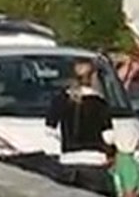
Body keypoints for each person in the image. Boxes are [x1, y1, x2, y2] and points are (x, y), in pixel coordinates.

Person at [45, 59, 114, 195]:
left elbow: (49, 130)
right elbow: (108, 137)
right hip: (94, 162)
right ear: (93, 77)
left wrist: (65, 138)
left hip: (68, 161)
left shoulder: (61, 100)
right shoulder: (99, 103)